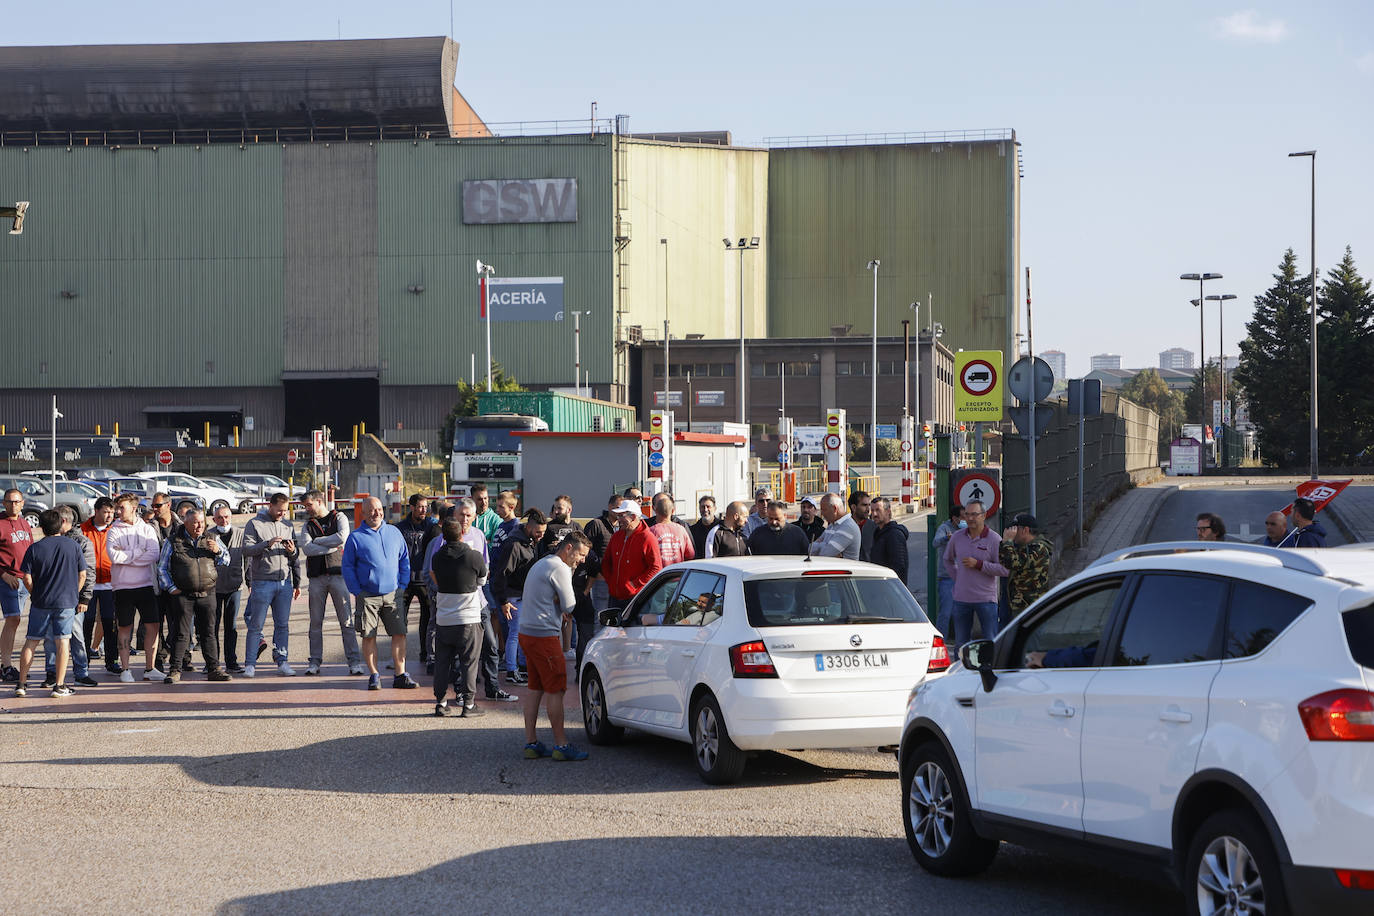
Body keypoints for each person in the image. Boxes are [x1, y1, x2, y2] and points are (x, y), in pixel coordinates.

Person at [518, 531, 592, 761]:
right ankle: (561, 745)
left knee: (535, 688)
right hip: (544, 636)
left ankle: (531, 742)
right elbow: (570, 605)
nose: (582, 561)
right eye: (580, 555)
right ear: (568, 548)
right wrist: (561, 603)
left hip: (527, 632)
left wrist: (556, 602)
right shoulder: (559, 567)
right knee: (556, 689)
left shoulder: (542, 563)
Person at [341, 496, 416, 691]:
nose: (377, 513)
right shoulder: (355, 537)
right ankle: (374, 675)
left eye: (379, 509)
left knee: (399, 633)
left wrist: (402, 585)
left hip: (393, 593)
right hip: (368, 596)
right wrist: (357, 591)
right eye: (372, 510)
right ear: (363, 513)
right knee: (369, 636)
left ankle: (400, 674)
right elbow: (347, 567)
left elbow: (404, 559)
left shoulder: (394, 532)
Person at [14, 510, 86, 697]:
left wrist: (34, 593)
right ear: (62, 523)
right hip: (65, 601)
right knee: (63, 641)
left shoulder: (35, 548)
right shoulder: (73, 546)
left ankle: (21, 683)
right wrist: (73, 593)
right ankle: (59, 685)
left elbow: (26, 578)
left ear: (41, 527)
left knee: (31, 641)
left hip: (41, 601)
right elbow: (82, 574)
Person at [156, 508, 231, 683]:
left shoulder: (212, 539)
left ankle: (214, 669)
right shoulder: (174, 541)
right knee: (181, 633)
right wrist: (171, 587)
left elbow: (226, 560)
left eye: (202, 523)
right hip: (183, 594)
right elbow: (162, 568)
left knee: (208, 632)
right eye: (195, 523)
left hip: (207, 592)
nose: (199, 526)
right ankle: (175, 670)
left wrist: (218, 552)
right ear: (186, 523)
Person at [429, 518, 489, 717]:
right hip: (469, 619)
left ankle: (440, 702)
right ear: (462, 533)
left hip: (444, 618)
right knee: (469, 663)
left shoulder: (437, 557)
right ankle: (468, 705)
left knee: (442, 662)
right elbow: (481, 580)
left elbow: (435, 577)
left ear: (443, 536)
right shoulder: (474, 556)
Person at [300, 489, 364, 676]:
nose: (307, 509)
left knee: (346, 621)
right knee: (315, 622)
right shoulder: (307, 525)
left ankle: (354, 662)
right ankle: (314, 662)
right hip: (316, 578)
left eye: (309, 505)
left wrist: (318, 541)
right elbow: (307, 549)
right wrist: (329, 547)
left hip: (338, 575)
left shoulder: (340, 517)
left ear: (319, 501)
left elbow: (342, 537)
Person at [241, 493, 303, 678]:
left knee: (282, 625)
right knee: (255, 625)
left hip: (284, 582)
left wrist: (292, 552)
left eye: (285, 511)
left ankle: (282, 661)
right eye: (279, 511)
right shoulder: (254, 524)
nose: (282, 514)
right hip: (262, 581)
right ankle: (250, 664)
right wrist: (266, 544)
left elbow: (295, 555)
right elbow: (246, 549)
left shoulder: (288, 525)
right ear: (271, 505)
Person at [106, 492, 164, 681]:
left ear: (133, 508)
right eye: (117, 507)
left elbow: (154, 554)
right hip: (122, 587)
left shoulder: (146, 529)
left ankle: (150, 668)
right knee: (125, 627)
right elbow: (115, 557)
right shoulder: (113, 530)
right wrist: (139, 552)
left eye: (122, 507)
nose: (118, 511)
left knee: (153, 625)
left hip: (145, 585)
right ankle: (125, 669)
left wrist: (129, 556)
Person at [941, 499, 1008, 651]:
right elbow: (947, 559)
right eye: (967, 514)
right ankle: (962, 673)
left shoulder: (994, 539)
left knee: (990, 641)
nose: (970, 518)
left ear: (983, 516)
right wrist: (958, 578)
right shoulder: (957, 537)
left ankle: (990, 670)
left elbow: (1004, 569)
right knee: (961, 644)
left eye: (974, 514)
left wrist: (979, 564)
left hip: (986, 600)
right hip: (961, 599)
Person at [491, 509, 548, 685]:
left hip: (522, 595)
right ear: (529, 528)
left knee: (522, 632)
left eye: (544, 532)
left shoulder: (529, 542)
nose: (541, 536)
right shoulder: (514, 545)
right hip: (512, 596)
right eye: (539, 532)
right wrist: (503, 601)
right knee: (515, 633)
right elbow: (501, 574)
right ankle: (511, 670)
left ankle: (522, 667)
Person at [47, 506, 98, 688]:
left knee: (76, 635)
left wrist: (84, 598)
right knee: (51, 636)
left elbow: (89, 572)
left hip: (73, 599)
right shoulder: (50, 539)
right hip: (52, 598)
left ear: (64, 521)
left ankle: (81, 672)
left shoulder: (82, 542)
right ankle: (52, 673)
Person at [395, 494, 437, 667]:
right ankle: (399, 657)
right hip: (405, 581)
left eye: (425, 506)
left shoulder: (431, 527)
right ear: (411, 507)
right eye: (420, 506)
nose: (423, 510)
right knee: (399, 621)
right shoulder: (400, 527)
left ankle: (426, 654)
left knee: (427, 620)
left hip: (425, 580)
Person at [80, 497, 121, 675]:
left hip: (110, 584)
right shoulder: (82, 530)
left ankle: (112, 661)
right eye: (105, 512)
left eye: (112, 512)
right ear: (95, 512)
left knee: (110, 624)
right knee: (86, 624)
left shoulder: (117, 529)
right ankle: (83, 662)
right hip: (88, 585)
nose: (109, 516)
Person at [0, 488, 35, 683]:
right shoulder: (0, 523)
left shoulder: (24, 523)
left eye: (17, 501)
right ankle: (6, 666)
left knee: (16, 621)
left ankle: (7, 665)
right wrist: (3, 574)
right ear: (4, 503)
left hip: (24, 579)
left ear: (22, 503)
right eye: (9, 501)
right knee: (13, 619)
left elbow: (29, 551)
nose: (13, 505)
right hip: (8, 579)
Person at [209, 505, 249, 674]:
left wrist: (248, 581)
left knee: (231, 626)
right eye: (219, 518)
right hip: (213, 588)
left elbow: (247, 560)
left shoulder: (240, 533)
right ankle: (212, 662)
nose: (223, 520)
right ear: (214, 519)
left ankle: (231, 662)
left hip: (235, 586)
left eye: (226, 517)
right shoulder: (209, 534)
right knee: (212, 626)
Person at [603, 499, 663, 612]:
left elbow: (656, 568)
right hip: (615, 597)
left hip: (636, 599)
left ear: (633, 517)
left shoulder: (648, 538)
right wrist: (611, 582)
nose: (618, 519)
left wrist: (634, 585)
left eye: (621, 516)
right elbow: (606, 562)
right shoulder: (617, 536)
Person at [999, 513, 1052, 616]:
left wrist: (1008, 542)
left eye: (1016, 529)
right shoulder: (1023, 547)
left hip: (1031, 605)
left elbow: (1013, 563)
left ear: (1025, 530)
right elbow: (1004, 561)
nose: (1013, 533)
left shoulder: (1038, 548)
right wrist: (1005, 543)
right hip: (1020, 604)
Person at [930, 504, 965, 639]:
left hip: (964, 577)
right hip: (947, 577)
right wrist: (947, 538)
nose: (965, 520)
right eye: (963, 517)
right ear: (955, 518)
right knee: (946, 612)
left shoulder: (967, 530)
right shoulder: (945, 528)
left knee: (961, 612)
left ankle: (961, 640)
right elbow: (935, 542)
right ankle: (941, 640)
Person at [582, 494, 619, 612]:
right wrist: (596, 570)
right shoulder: (596, 524)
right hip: (601, 579)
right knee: (601, 616)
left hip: (617, 580)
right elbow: (585, 548)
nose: (620, 512)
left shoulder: (622, 526)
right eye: (617, 508)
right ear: (610, 506)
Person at [868, 497, 909, 583]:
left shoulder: (894, 535)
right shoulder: (877, 533)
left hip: (890, 589)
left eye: (878, 510)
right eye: (872, 510)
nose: (874, 514)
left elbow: (899, 567)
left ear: (888, 511)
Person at [646, 494, 695, 565]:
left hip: (659, 574)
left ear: (655, 510)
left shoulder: (651, 531)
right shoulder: (681, 529)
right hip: (678, 573)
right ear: (673, 511)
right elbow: (690, 554)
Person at [810, 493, 861, 560]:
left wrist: (820, 544)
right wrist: (826, 546)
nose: (822, 514)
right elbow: (810, 549)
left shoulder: (848, 527)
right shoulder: (832, 525)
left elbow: (825, 554)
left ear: (835, 509)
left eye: (824, 510)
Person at [848, 490, 874, 561]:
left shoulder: (875, 528)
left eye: (869, 505)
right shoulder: (844, 527)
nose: (868, 509)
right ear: (853, 507)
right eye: (864, 505)